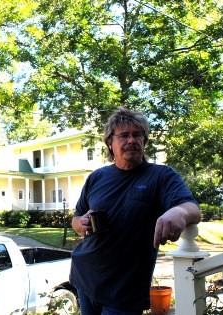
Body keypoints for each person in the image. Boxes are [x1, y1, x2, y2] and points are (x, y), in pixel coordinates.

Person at [69, 106, 201, 314]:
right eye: (123, 135)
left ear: (144, 141)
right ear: (110, 143)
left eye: (137, 134)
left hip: (124, 291)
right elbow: (77, 218)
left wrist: (178, 212)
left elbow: (192, 208)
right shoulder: (97, 177)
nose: (131, 140)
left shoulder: (161, 176)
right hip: (85, 277)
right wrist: (80, 223)